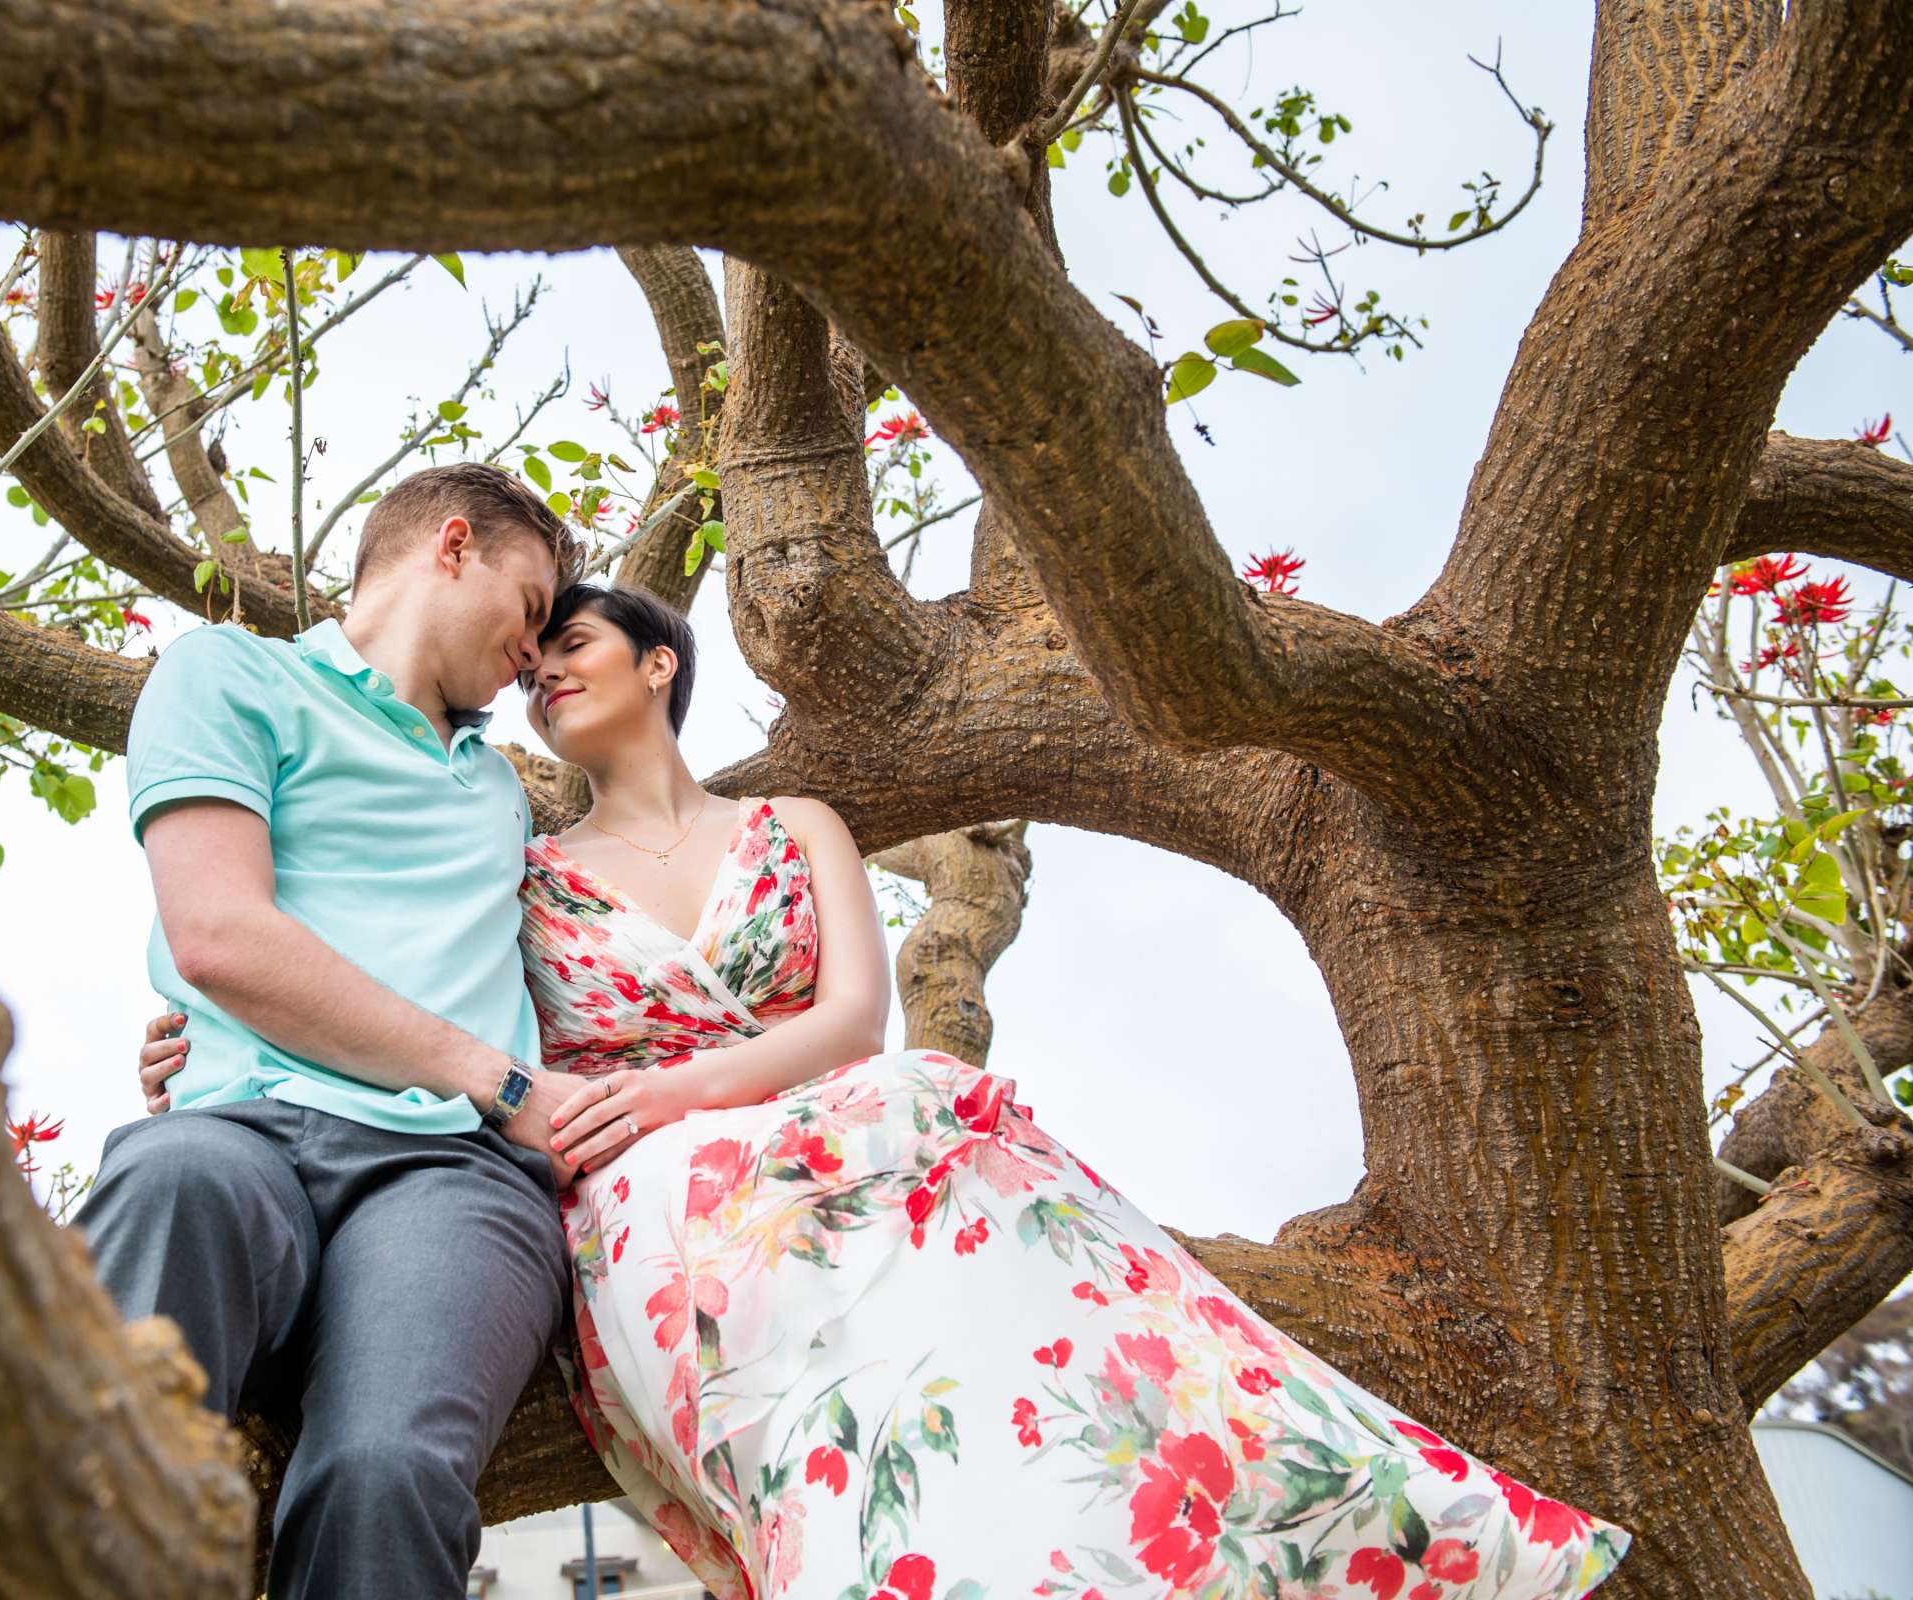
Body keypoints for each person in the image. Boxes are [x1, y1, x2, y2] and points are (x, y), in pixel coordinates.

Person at [139, 583, 1633, 1599]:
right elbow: (393, 978)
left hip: (825, 1119)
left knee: (958, 1167)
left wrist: (712, 1083)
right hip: (649, 1182)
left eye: (571, 643)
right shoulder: (518, 870)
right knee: (808, 1311)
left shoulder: (799, 820)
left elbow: (855, 1014)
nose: (539, 674)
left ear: (660, 662)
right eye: (530, 667)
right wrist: (199, 1034)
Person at [77, 462, 598, 1600]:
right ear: (452, 545)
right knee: (168, 1186)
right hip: (239, 1129)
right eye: (529, 607)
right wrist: (490, 1071)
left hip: (450, 1175)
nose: (533, 655)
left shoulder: (506, 793)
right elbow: (217, 932)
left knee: (384, 1469)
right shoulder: (228, 671)